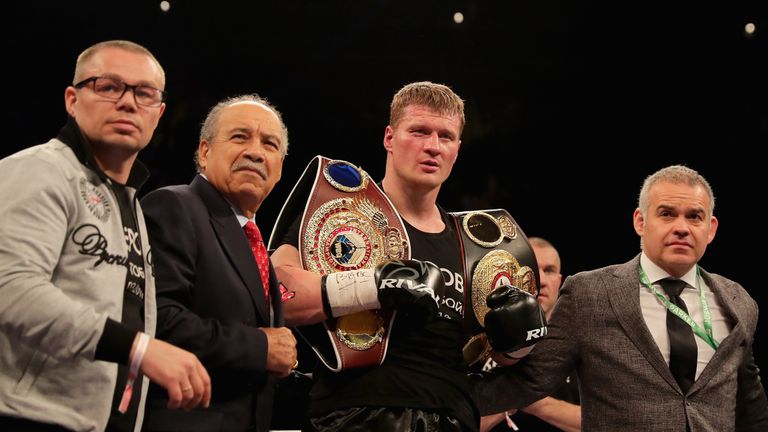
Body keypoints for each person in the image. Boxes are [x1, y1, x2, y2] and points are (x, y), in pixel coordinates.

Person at [271, 81, 543, 431]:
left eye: (445, 136)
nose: (432, 146)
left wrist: (519, 342)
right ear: (389, 138)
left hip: (455, 417)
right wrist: (372, 284)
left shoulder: (480, 247)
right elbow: (275, 293)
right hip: (354, 414)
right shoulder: (338, 214)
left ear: (457, 149)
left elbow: (498, 357)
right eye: (418, 131)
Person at [0, 40, 211, 432]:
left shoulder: (129, 202)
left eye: (144, 93)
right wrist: (139, 348)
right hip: (28, 415)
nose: (128, 103)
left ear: (159, 112)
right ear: (72, 99)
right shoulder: (37, 171)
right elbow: (10, 290)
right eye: (108, 87)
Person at [477, 165, 768, 431]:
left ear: (711, 229)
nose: (682, 227)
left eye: (694, 216)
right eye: (666, 213)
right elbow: (529, 381)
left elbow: (750, 405)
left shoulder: (738, 301)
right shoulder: (589, 293)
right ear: (640, 222)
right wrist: (438, 393)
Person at [140, 94, 298, 432]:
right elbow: (156, 321)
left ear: (280, 168)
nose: (256, 152)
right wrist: (261, 347)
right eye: (240, 137)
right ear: (204, 151)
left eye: (269, 144)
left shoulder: (251, 239)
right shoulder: (174, 206)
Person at [480, 237, 580, 432]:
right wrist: (511, 398)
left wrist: (532, 399)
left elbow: (610, 423)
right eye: (531, 268)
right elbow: (450, 422)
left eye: (549, 270)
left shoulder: (582, 343)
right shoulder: (480, 342)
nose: (541, 280)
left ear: (559, 281)